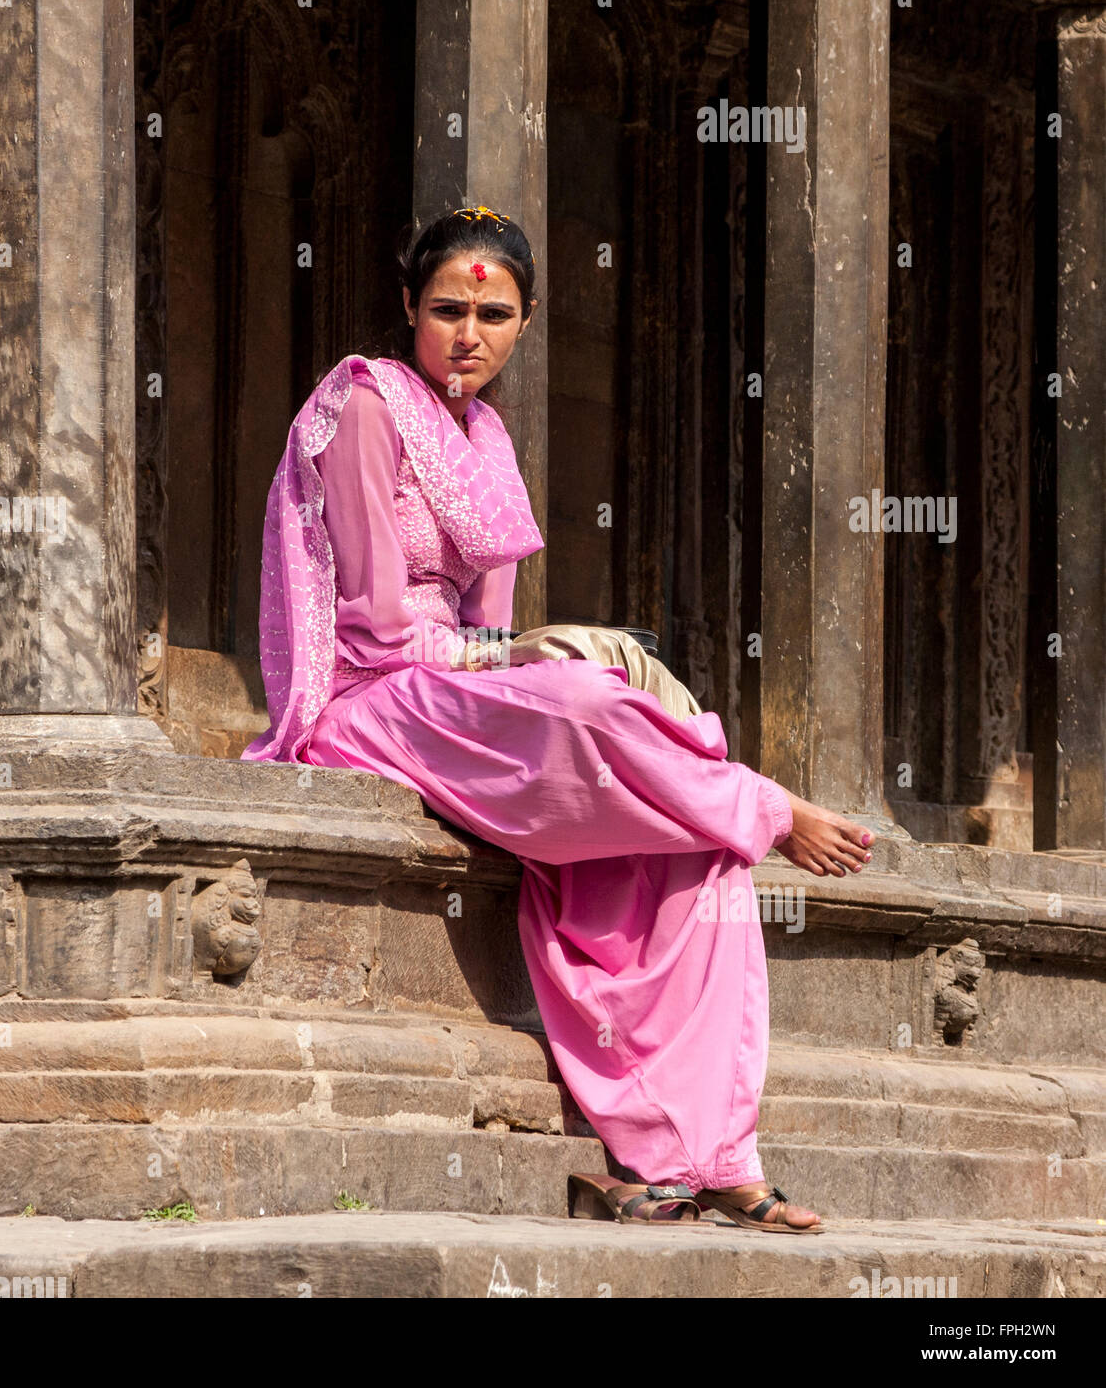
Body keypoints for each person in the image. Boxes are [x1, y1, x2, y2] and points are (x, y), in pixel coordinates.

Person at [241, 205, 876, 1232]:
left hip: (457, 697)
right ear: (407, 307)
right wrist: (513, 661)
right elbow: (375, 617)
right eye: (446, 308)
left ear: (524, 324)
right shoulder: (365, 399)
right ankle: (754, 792)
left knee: (697, 854)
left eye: (492, 314)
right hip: (368, 700)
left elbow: (492, 629)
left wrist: (511, 658)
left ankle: (706, 1156)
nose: (467, 333)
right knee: (586, 701)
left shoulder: (485, 437)